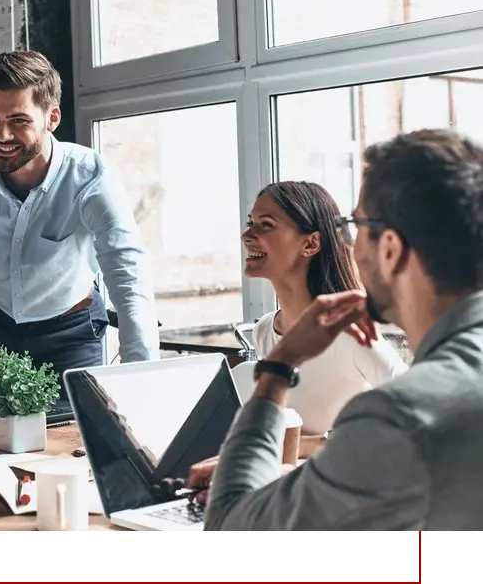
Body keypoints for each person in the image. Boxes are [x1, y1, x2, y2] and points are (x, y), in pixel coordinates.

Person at [190, 128, 483, 530]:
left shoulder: (397, 417)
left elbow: (234, 528)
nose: (348, 244)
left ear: (391, 249)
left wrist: (279, 367)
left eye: (353, 226)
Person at [0, 50, 160, 388]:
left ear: (51, 118)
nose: (2, 135)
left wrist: (141, 380)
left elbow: (128, 275)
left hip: (71, 334)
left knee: (77, 435)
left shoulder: (91, 175)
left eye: (18, 121)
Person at [241, 180, 407, 453]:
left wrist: (308, 445)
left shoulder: (349, 333)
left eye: (266, 224)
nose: (247, 235)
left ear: (311, 243)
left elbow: (417, 411)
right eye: (251, 222)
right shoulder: (264, 330)